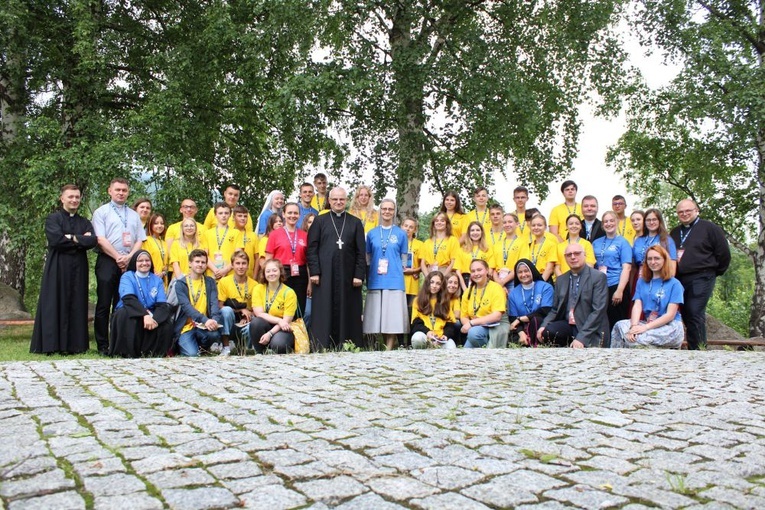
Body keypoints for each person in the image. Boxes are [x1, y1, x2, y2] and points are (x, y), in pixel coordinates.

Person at [31, 184, 98, 354]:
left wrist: (72, 237)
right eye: (70, 197)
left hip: (78, 269)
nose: (74, 200)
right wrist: (80, 240)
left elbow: (92, 241)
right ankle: (52, 345)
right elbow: (56, 241)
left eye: (77, 197)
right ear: (62, 198)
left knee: (77, 302)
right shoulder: (53, 219)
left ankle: (76, 346)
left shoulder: (84, 221)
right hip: (57, 267)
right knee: (55, 301)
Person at [307, 187, 366, 350]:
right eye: (335, 200)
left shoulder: (355, 222)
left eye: (342, 199)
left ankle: (348, 344)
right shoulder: (320, 220)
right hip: (325, 274)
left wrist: (359, 275)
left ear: (346, 201)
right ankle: (322, 344)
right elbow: (312, 248)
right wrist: (315, 272)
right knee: (324, 309)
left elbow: (361, 251)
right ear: (329, 201)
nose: (338, 202)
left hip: (349, 276)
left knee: (348, 309)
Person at [92, 178, 146, 355]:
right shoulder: (101, 212)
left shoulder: (133, 214)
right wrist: (117, 257)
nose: (121, 193)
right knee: (104, 303)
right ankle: (102, 345)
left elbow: (139, 239)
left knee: (122, 302)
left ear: (128, 192)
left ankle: (118, 342)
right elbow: (100, 238)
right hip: (108, 260)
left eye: (124, 190)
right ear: (110, 191)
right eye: (118, 190)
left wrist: (129, 258)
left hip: (129, 261)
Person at [670, 198, 731, 350]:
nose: (684, 214)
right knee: (685, 311)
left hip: (702, 276)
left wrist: (715, 271)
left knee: (694, 310)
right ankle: (693, 348)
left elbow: (724, 253)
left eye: (688, 211)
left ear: (696, 211)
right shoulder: (675, 232)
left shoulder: (710, 228)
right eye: (680, 212)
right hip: (680, 278)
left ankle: (699, 350)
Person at [611, 245, 685, 349]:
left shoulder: (675, 284)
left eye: (657, 258)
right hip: (648, 324)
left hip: (669, 327)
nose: (653, 262)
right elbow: (637, 305)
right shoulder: (641, 282)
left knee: (639, 338)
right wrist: (634, 326)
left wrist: (645, 328)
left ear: (664, 260)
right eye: (649, 259)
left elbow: (670, 315)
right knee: (619, 326)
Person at [537, 243, 610, 348]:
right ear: (565, 258)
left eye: (577, 253)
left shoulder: (598, 277)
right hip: (569, 325)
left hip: (589, 327)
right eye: (569, 254)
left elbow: (598, 311)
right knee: (547, 332)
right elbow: (555, 309)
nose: (573, 257)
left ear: (584, 255)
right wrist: (543, 326)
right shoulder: (561, 280)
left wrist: (581, 338)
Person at [363, 198, 409, 350]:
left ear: (394, 211)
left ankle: (389, 347)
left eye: (390, 209)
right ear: (380, 211)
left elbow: (404, 259)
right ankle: (376, 346)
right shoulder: (372, 233)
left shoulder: (401, 234)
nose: (387, 212)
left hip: (394, 279)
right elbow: (368, 257)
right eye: (384, 209)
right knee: (376, 316)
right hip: (376, 279)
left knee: (392, 317)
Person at [109, 250, 174, 357]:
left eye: (147, 260)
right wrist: (144, 315)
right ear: (135, 262)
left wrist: (155, 320)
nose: (144, 263)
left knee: (166, 323)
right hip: (130, 309)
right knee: (127, 316)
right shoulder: (127, 276)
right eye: (140, 261)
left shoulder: (157, 280)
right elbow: (129, 299)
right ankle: (127, 353)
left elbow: (161, 304)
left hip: (151, 311)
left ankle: (153, 353)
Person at [592, 211, 633, 339]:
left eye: (611, 220)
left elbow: (626, 268)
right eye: (606, 221)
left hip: (616, 284)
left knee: (617, 319)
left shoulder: (623, 242)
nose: (609, 223)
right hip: (600, 285)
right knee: (602, 318)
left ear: (617, 222)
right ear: (602, 225)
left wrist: (620, 290)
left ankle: (619, 346)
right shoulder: (596, 242)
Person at [175, 249, 222, 356]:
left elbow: (214, 304)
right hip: (187, 327)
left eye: (203, 262)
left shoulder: (210, 282)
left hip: (204, 326)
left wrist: (214, 321)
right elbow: (186, 307)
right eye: (197, 262)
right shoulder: (181, 284)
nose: (200, 265)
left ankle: (203, 347)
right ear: (190, 263)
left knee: (214, 335)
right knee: (192, 355)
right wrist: (205, 320)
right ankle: (186, 346)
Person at [266, 202, 309, 315]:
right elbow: (268, 259)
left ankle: (297, 331)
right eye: (289, 213)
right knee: (281, 307)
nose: (292, 216)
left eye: (295, 213)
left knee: (299, 307)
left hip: (300, 274)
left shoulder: (304, 235)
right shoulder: (275, 234)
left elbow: (308, 261)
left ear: (299, 215)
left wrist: (309, 282)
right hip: (280, 273)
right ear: (283, 215)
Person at [249, 259, 298, 354]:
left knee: (279, 345)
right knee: (256, 323)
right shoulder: (258, 289)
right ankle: (260, 352)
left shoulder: (289, 292)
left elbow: (286, 321)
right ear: (264, 274)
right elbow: (259, 313)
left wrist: (270, 333)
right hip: (268, 323)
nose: (271, 274)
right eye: (268, 271)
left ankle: (279, 348)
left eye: (274, 270)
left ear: (280, 272)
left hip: (283, 328)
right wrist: (279, 320)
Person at [460, 259, 506, 348]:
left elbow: (497, 315)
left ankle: (490, 352)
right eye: (473, 271)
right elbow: (463, 316)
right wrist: (470, 324)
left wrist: (473, 323)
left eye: (479, 270)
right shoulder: (468, 291)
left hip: (492, 327)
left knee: (473, 333)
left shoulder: (496, 288)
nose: (476, 273)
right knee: (472, 335)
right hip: (475, 328)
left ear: (487, 270)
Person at [218, 250, 257, 355]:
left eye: (244, 263)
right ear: (232, 265)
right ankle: (226, 347)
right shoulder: (224, 282)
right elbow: (220, 306)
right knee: (226, 311)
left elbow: (256, 310)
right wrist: (240, 309)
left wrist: (247, 316)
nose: (241, 267)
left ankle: (244, 348)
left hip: (245, 321)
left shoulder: (254, 285)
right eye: (237, 263)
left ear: (248, 265)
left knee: (254, 322)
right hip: (230, 321)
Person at [507, 259, 553, 347]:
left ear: (532, 270)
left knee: (535, 320)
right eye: (520, 272)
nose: (523, 274)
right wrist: (521, 333)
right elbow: (513, 318)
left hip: (541, 323)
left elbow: (545, 310)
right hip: (521, 327)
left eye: (526, 271)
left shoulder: (545, 287)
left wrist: (520, 319)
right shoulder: (513, 293)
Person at [411, 271, 458, 349]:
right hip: (425, 336)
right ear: (427, 283)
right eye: (432, 282)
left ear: (441, 286)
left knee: (451, 346)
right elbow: (415, 323)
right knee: (417, 338)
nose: (434, 286)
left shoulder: (445, 302)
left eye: (438, 283)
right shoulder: (418, 300)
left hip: (440, 338)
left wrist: (445, 335)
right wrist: (428, 332)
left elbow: (450, 324)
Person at [201, 202, 242, 280]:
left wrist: (225, 270)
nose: (223, 215)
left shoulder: (236, 233)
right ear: (215, 215)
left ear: (230, 215)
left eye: (226, 213)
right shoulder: (207, 233)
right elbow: (204, 255)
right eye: (220, 213)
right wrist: (215, 270)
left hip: (230, 274)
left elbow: (238, 255)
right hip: (211, 274)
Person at [634, 208, 677, 278]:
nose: (651, 222)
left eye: (654, 219)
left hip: (659, 277)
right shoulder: (638, 240)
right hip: (640, 278)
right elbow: (634, 266)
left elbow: (672, 266)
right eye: (648, 220)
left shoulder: (666, 240)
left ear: (659, 221)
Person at [457, 221, 495, 291]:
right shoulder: (462, 250)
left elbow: (490, 269)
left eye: (478, 230)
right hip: (466, 280)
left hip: (483, 280)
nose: (475, 233)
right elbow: (458, 271)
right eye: (472, 230)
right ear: (468, 233)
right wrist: (464, 288)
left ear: (482, 232)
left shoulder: (487, 249)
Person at [493, 213, 526, 289]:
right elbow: (492, 267)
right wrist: (498, 282)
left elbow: (521, 265)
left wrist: (503, 281)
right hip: (497, 280)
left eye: (510, 222)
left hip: (514, 279)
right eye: (504, 223)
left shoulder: (522, 243)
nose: (507, 225)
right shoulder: (497, 244)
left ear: (517, 224)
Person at [419, 212, 459, 276]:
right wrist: (428, 278)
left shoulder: (453, 240)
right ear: (433, 224)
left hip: (445, 272)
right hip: (429, 272)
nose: (439, 223)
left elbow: (453, 262)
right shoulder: (427, 242)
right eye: (436, 221)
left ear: (447, 223)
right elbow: (422, 263)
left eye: (442, 221)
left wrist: (443, 277)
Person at [401, 217, 423, 311]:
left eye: (411, 227)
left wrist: (414, 270)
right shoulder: (395, 242)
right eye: (406, 226)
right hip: (398, 283)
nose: (407, 229)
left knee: (410, 312)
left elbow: (423, 265)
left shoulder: (420, 244)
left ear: (415, 230)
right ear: (401, 226)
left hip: (412, 285)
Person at [528, 214, 556, 282]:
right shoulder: (529, 245)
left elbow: (549, 268)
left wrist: (540, 284)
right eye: (533, 225)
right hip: (530, 279)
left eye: (539, 225)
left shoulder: (551, 244)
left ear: (545, 227)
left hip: (544, 279)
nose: (536, 227)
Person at [232, 205, 258, 278]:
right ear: (234, 218)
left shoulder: (253, 235)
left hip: (249, 276)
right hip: (231, 276)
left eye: (245, 216)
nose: (243, 218)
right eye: (240, 216)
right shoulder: (229, 234)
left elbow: (257, 258)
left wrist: (255, 276)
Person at [144, 213, 169, 286]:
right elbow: (145, 258)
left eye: (162, 223)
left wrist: (163, 273)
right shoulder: (146, 240)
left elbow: (167, 262)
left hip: (163, 278)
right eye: (156, 223)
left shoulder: (164, 243)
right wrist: (154, 272)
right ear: (150, 225)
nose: (159, 226)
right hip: (150, 276)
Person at [301, 213, 317, 328]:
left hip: (320, 280)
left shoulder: (321, 238)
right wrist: (309, 283)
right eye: (309, 222)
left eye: (314, 222)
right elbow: (306, 263)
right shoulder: (303, 239)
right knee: (307, 312)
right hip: (306, 280)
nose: (312, 225)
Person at [258, 213, 283, 277]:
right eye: (276, 222)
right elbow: (262, 261)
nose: (279, 223)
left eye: (280, 221)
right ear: (271, 224)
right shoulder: (265, 240)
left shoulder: (285, 239)